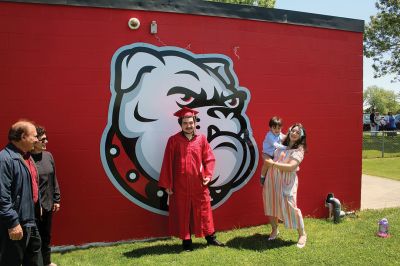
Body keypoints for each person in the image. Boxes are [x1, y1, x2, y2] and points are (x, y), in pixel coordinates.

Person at [158, 107, 225, 251]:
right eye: (185, 123)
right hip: (180, 184)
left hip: (198, 184)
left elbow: (209, 159)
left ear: (195, 123)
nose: (189, 126)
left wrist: (208, 175)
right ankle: (187, 242)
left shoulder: (201, 140)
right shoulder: (173, 140)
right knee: (183, 212)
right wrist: (168, 184)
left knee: (204, 210)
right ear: (181, 124)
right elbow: (167, 162)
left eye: (191, 122)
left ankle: (211, 238)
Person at [0, 120, 43, 265]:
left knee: (35, 261)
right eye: (34, 136)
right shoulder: (5, 159)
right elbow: (2, 195)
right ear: (23, 136)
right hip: (16, 224)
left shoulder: (27, 157)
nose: (37, 139)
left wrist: (39, 206)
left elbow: (32, 186)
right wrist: (13, 222)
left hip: (30, 221)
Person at [262, 123, 307, 248]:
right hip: (272, 178)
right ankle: (275, 229)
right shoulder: (280, 143)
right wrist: (265, 157)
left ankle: (302, 234)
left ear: (301, 136)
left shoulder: (299, 150)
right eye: (293, 131)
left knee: (291, 206)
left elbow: (291, 167)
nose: (294, 134)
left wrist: (272, 164)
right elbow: (266, 153)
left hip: (287, 181)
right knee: (271, 203)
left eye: (298, 132)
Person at [31, 126, 60, 266]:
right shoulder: (27, 159)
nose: (46, 142)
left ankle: (47, 262)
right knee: (35, 240)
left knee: (46, 236)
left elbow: (53, 179)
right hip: (33, 208)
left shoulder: (48, 156)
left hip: (48, 205)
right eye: (43, 139)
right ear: (34, 140)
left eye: (46, 139)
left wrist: (57, 198)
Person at [260, 116, 286, 185]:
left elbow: (285, 137)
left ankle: (275, 179)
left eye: (279, 128)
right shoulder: (269, 135)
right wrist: (286, 147)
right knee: (267, 163)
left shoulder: (280, 134)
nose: (277, 130)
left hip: (275, 154)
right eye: (274, 128)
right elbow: (275, 145)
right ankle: (262, 177)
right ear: (270, 128)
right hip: (267, 153)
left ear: (281, 128)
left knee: (274, 166)